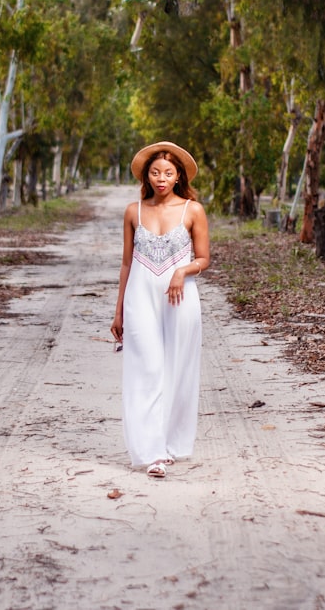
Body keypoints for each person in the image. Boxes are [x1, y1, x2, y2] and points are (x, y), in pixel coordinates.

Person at [111, 141, 210, 478]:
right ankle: (150, 452)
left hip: (180, 299)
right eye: (155, 172)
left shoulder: (193, 210)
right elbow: (126, 264)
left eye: (168, 173)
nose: (161, 178)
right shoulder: (133, 211)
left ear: (178, 176)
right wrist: (119, 311)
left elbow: (204, 258)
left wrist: (182, 271)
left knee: (178, 369)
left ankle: (171, 444)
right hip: (140, 298)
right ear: (147, 176)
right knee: (147, 368)